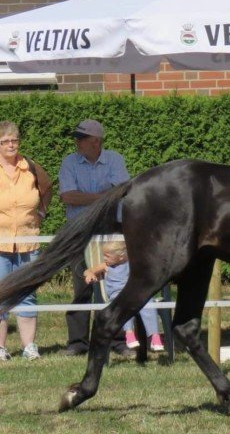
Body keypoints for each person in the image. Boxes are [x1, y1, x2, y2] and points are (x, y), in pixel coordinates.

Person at [59, 119, 133, 357]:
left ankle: (119, 340)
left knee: (117, 285)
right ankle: (78, 342)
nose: (77, 142)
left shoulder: (115, 159)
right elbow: (67, 197)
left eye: (81, 138)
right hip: (80, 231)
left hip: (112, 228)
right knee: (83, 284)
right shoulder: (69, 162)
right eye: (77, 138)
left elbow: (120, 192)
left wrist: (89, 197)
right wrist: (103, 197)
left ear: (96, 141)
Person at [0, 121, 53, 361]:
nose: (11, 145)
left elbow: (47, 186)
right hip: (0, 243)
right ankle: (0, 348)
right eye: (5, 141)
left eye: (14, 140)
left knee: (27, 293)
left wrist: (41, 212)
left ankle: (29, 347)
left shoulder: (30, 166)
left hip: (28, 241)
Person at [84, 241, 164, 352]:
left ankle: (155, 337)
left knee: (148, 302)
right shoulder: (106, 266)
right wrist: (90, 274)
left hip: (133, 293)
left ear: (121, 256)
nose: (104, 258)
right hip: (117, 295)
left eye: (107, 256)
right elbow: (89, 270)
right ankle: (129, 334)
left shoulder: (131, 263)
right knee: (124, 304)